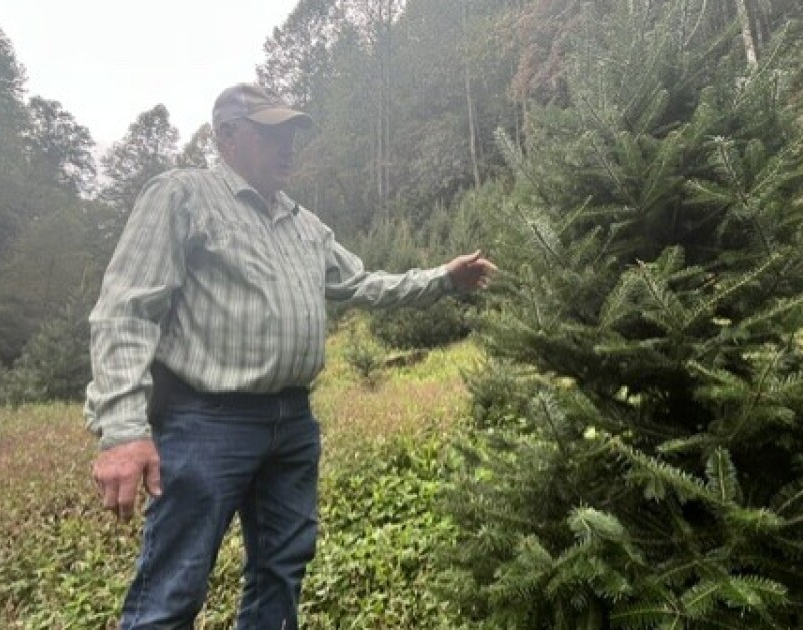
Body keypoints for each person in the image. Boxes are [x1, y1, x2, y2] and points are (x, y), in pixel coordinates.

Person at [84, 83, 496, 630]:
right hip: (206, 421)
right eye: (273, 133)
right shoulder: (182, 196)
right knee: (174, 584)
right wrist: (122, 431)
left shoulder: (304, 225)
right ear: (227, 136)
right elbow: (127, 309)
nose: (288, 147)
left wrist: (443, 278)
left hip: (292, 423)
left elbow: (364, 283)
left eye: (292, 135)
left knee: (282, 570)